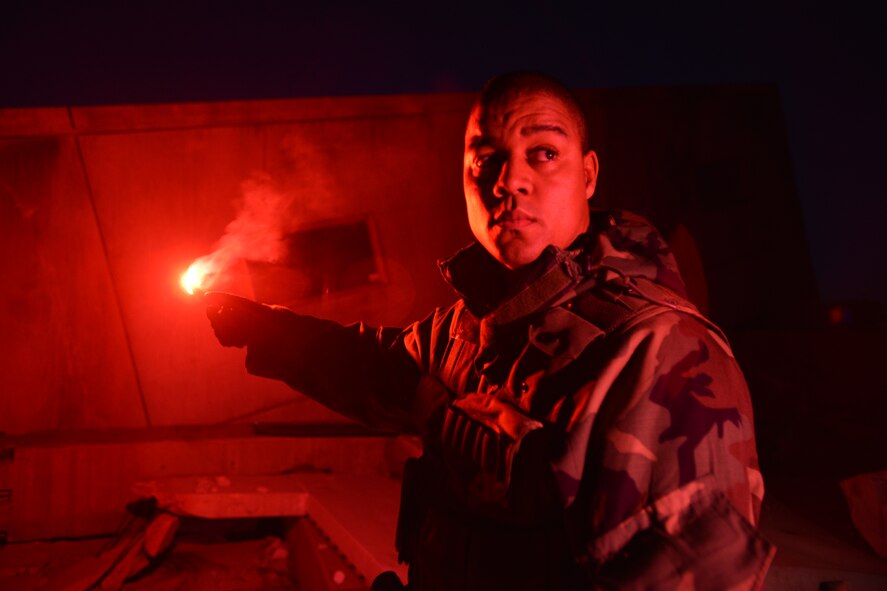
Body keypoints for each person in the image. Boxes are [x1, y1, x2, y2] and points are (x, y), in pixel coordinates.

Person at [205, 72, 774, 590]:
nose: (510, 181)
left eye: (543, 154)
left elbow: (707, 573)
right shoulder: (468, 327)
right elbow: (378, 370)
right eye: (486, 158)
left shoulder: (661, 350)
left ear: (589, 174)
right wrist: (265, 330)